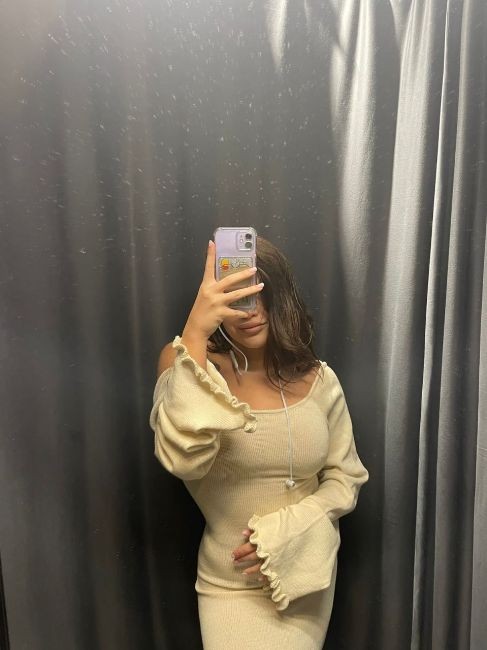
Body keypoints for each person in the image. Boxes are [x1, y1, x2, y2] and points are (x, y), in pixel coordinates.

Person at [149, 236, 369, 649]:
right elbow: (182, 459)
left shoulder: (319, 379)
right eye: (235, 296)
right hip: (231, 583)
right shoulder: (191, 365)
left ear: (281, 296)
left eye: (258, 293)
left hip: (305, 572)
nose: (249, 311)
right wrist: (195, 331)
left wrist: (289, 529)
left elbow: (347, 478)